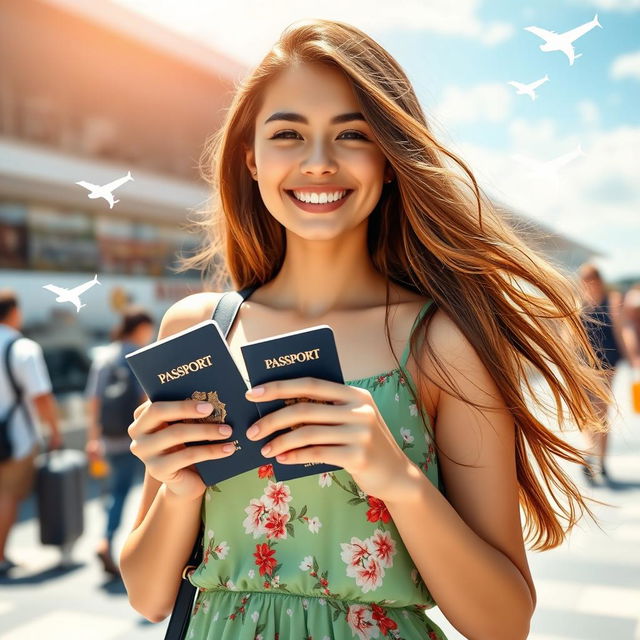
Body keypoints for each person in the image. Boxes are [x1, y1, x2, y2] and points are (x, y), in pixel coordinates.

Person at [119, 20, 610, 640]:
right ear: (252, 157)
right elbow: (146, 594)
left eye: (352, 134)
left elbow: (505, 623)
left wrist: (395, 477)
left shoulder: (440, 345)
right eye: (288, 134)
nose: (318, 163)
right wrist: (179, 488)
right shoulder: (196, 329)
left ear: (388, 156)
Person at [85, 306, 153, 577]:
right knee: (125, 493)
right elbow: (144, 400)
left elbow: (94, 400)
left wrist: (93, 438)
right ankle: (109, 542)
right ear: (139, 328)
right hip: (131, 438)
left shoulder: (104, 356)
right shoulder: (136, 357)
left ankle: (110, 538)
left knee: (113, 490)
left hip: (107, 437)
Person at [0, 289, 62, 576]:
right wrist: (54, 431)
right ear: (14, 313)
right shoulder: (22, 348)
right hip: (15, 436)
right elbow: (41, 398)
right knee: (7, 496)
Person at [577, 263, 625, 485]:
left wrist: (631, 358)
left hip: (607, 365)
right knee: (588, 414)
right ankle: (591, 454)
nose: (589, 284)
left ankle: (600, 460)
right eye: (585, 280)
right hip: (584, 366)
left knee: (601, 413)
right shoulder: (579, 305)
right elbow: (570, 338)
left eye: (592, 279)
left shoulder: (612, 301)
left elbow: (620, 331)